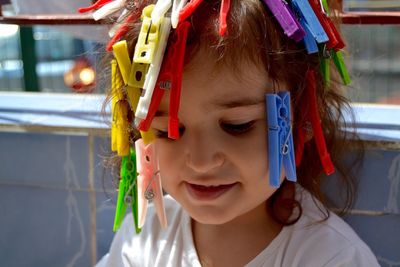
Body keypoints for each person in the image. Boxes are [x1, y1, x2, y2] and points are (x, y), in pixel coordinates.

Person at [88, 0, 380, 266]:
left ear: (301, 117)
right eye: (167, 131)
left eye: (237, 126)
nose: (201, 162)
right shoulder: (143, 239)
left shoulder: (332, 258)